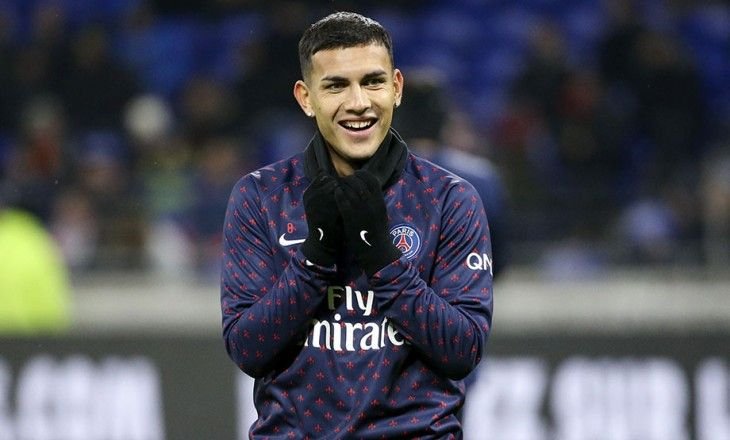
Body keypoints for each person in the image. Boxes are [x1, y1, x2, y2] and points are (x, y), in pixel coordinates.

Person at [220, 11, 493, 439]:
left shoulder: (450, 199)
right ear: (306, 97)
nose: (359, 102)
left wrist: (382, 259)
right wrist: (315, 258)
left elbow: (463, 350)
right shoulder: (261, 197)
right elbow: (247, 348)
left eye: (372, 82)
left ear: (396, 88)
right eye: (335, 86)